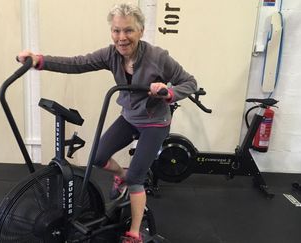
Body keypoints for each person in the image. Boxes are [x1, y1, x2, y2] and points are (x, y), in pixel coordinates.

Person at [18, 3, 197, 243]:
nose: (122, 38)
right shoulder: (110, 54)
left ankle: (134, 232)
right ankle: (121, 174)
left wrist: (168, 92)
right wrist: (38, 60)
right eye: (116, 31)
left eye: (129, 31)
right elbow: (76, 63)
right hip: (130, 117)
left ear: (141, 31)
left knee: (136, 178)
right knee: (98, 156)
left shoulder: (158, 57)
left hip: (155, 122)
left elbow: (190, 82)